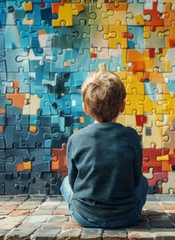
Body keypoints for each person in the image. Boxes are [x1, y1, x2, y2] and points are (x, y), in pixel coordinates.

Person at [60, 70, 149, 228]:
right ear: (122, 106)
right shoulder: (131, 136)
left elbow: (74, 183)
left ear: (86, 108)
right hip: (127, 216)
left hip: (84, 217)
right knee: (143, 181)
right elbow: (136, 181)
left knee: (65, 182)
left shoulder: (76, 139)